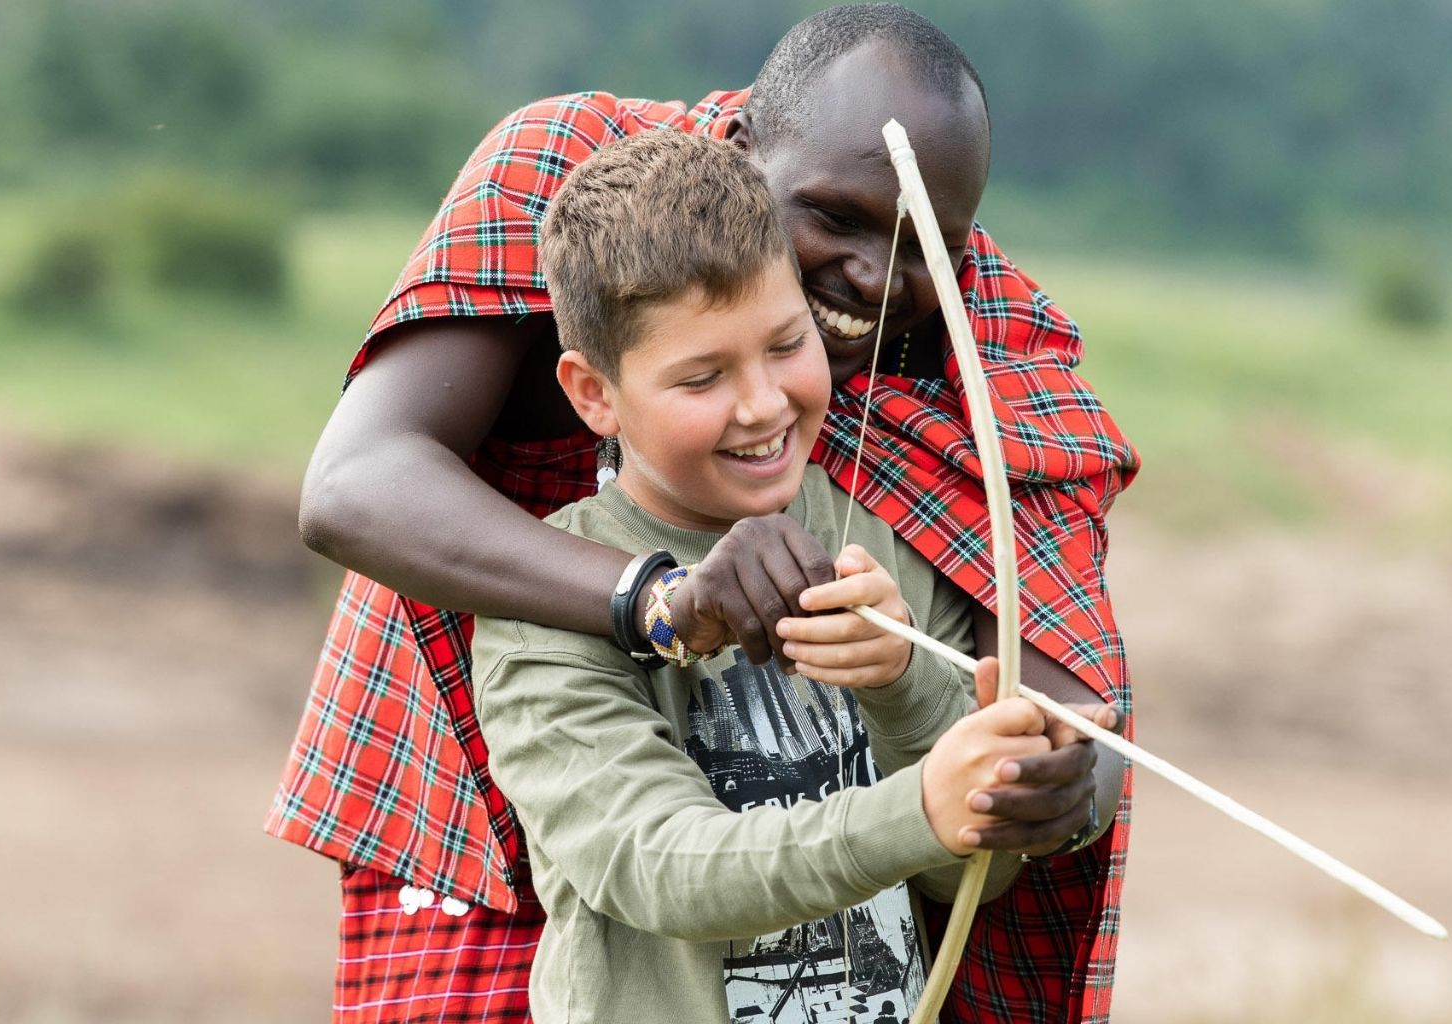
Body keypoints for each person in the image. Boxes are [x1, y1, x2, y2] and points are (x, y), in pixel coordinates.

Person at [270, 5, 1139, 1022]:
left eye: (925, 244)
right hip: (500, 769)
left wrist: (1043, 775)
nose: (872, 275)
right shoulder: (572, 182)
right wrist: (663, 601)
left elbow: (1051, 718)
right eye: (833, 217)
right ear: (740, 156)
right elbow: (354, 485)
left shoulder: (975, 348)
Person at [474, 126, 1119, 1024]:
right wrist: (921, 808)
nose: (765, 404)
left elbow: (967, 869)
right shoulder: (543, 602)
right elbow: (655, 864)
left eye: (786, 344)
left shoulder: (885, 535)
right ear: (593, 394)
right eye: (700, 377)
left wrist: (904, 687)